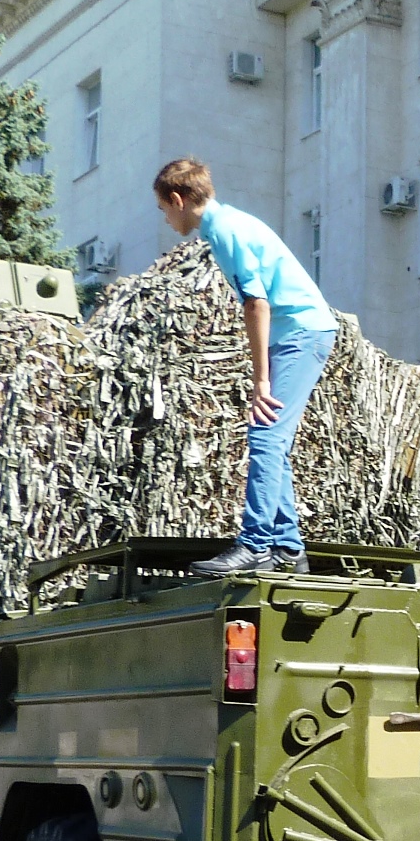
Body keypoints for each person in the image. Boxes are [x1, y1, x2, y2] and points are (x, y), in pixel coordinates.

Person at [153, 156, 340, 577]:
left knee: (267, 437)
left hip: (302, 333)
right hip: (299, 333)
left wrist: (260, 380)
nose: (166, 218)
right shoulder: (227, 223)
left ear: (179, 199)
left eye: (164, 209)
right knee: (272, 440)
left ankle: (256, 545)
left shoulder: (222, 230)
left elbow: (256, 302)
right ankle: (288, 547)